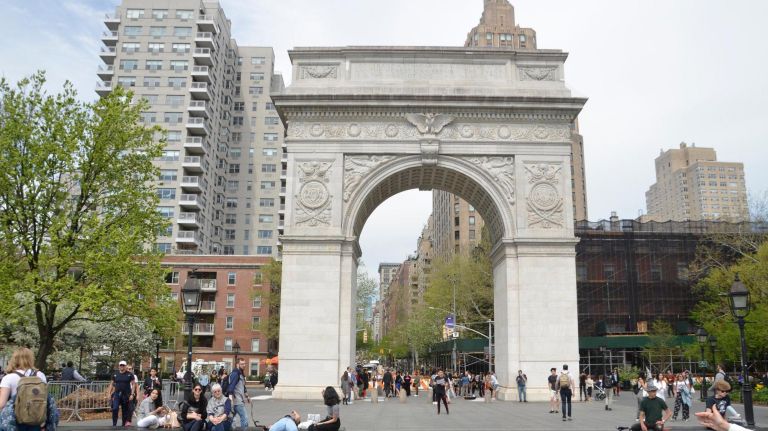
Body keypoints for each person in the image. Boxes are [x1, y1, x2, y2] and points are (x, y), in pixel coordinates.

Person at [0, 347, 49, 431]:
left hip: (15, 420)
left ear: (14, 359)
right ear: (31, 359)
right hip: (36, 418)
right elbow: (45, 397)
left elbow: (2, 404)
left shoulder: (8, 377)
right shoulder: (40, 375)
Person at [108, 360, 136, 427]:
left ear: (125, 366)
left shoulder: (130, 374)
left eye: (123, 365)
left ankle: (123, 424)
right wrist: (109, 393)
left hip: (126, 394)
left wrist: (132, 394)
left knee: (124, 410)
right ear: (119, 366)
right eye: (121, 365)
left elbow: (133, 384)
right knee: (115, 408)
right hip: (117, 394)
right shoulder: (115, 374)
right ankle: (114, 424)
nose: (122, 366)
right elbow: (111, 384)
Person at [227, 358, 250, 431]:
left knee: (232, 419)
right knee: (244, 418)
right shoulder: (235, 374)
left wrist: (247, 395)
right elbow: (231, 387)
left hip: (238, 400)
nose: (244, 365)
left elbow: (242, 386)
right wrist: (231, 400)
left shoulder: (240, 373)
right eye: (242, 364)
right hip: (237, 401)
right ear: (237, 364)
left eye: (244, 363)